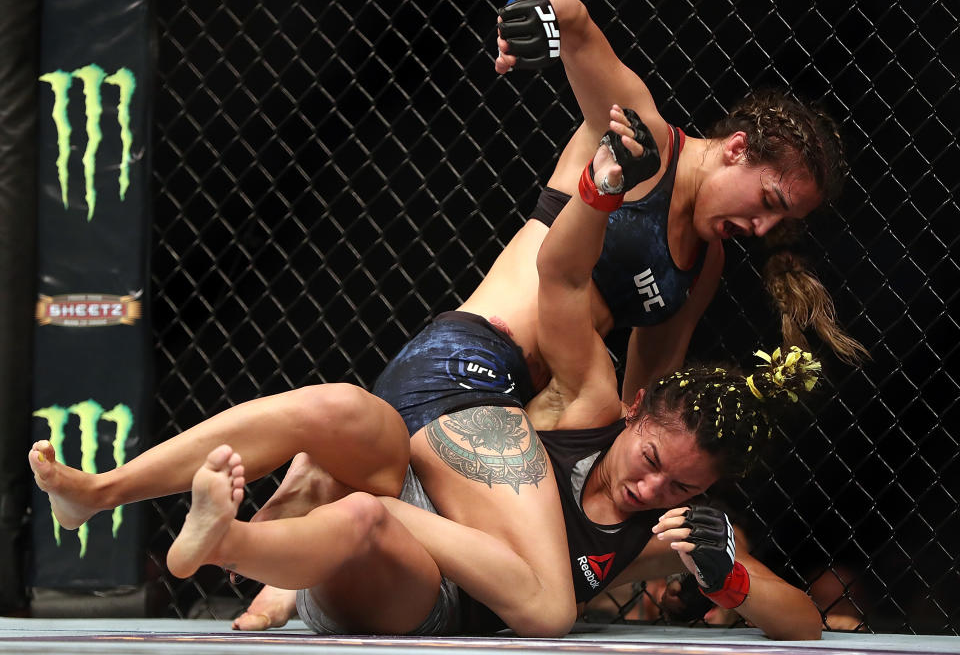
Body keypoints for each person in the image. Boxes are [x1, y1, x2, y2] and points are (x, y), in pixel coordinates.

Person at [30, 110, 824, 639]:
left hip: (411, 567)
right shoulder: (585, 404)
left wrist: (732, 585)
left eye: (681, 490)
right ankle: (103, 494)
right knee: (338, 411)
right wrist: (599, 180)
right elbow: (562, 279)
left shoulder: (662, 527)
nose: (654, 491)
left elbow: (797, 616)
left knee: (371, 511)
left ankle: (230, 538)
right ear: (635, 409)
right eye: (653, 464)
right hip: (469, 377)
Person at [493, 0, 867, 403]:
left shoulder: (704, 263)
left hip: (535, 406)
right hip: (476, 358)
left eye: (782, 221)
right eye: (769, 201)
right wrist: (533, 9)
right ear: (737, 148)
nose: (763, 229)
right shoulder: (641, 140)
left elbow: (644, 400)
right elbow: (574, 24)